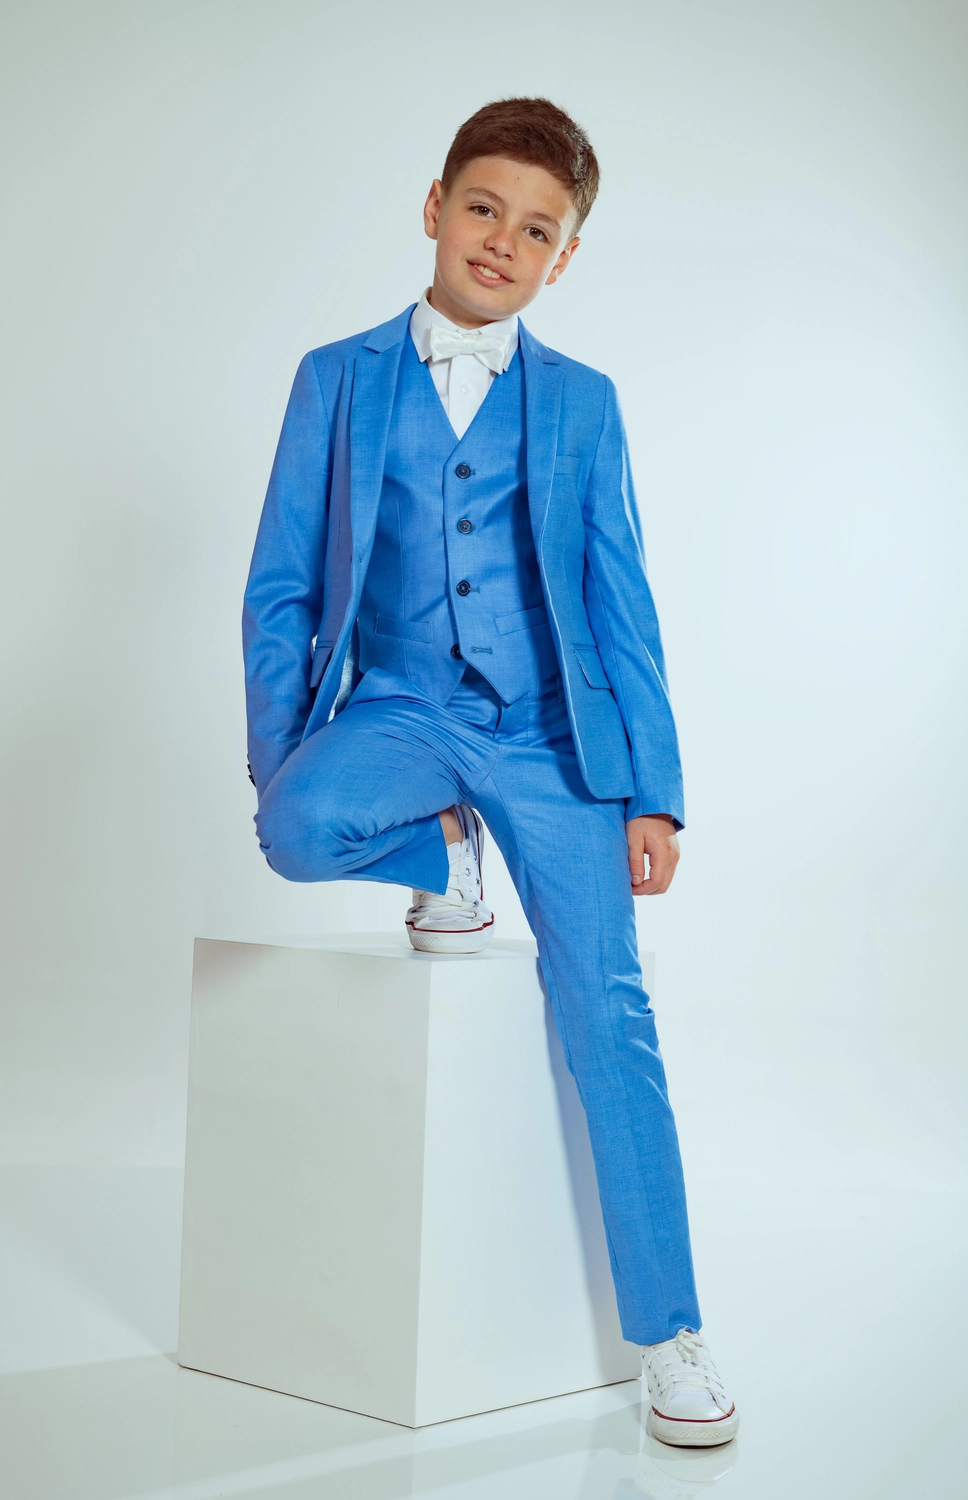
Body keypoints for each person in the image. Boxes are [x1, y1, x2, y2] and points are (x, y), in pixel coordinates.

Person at [242, 97, 738, 1448]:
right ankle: (445, 852)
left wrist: (653, 787)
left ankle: (671, 1335)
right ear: (434, 206)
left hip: (552, 733)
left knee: (607, 1014)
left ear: (563, 257)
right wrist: (284, 763)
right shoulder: (336, 377)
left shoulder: (584, 402)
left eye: (536, 230)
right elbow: (283, 587)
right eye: (483, 209)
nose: (502, 242)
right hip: (403, 707)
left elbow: (622, 596)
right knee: (299, 830)